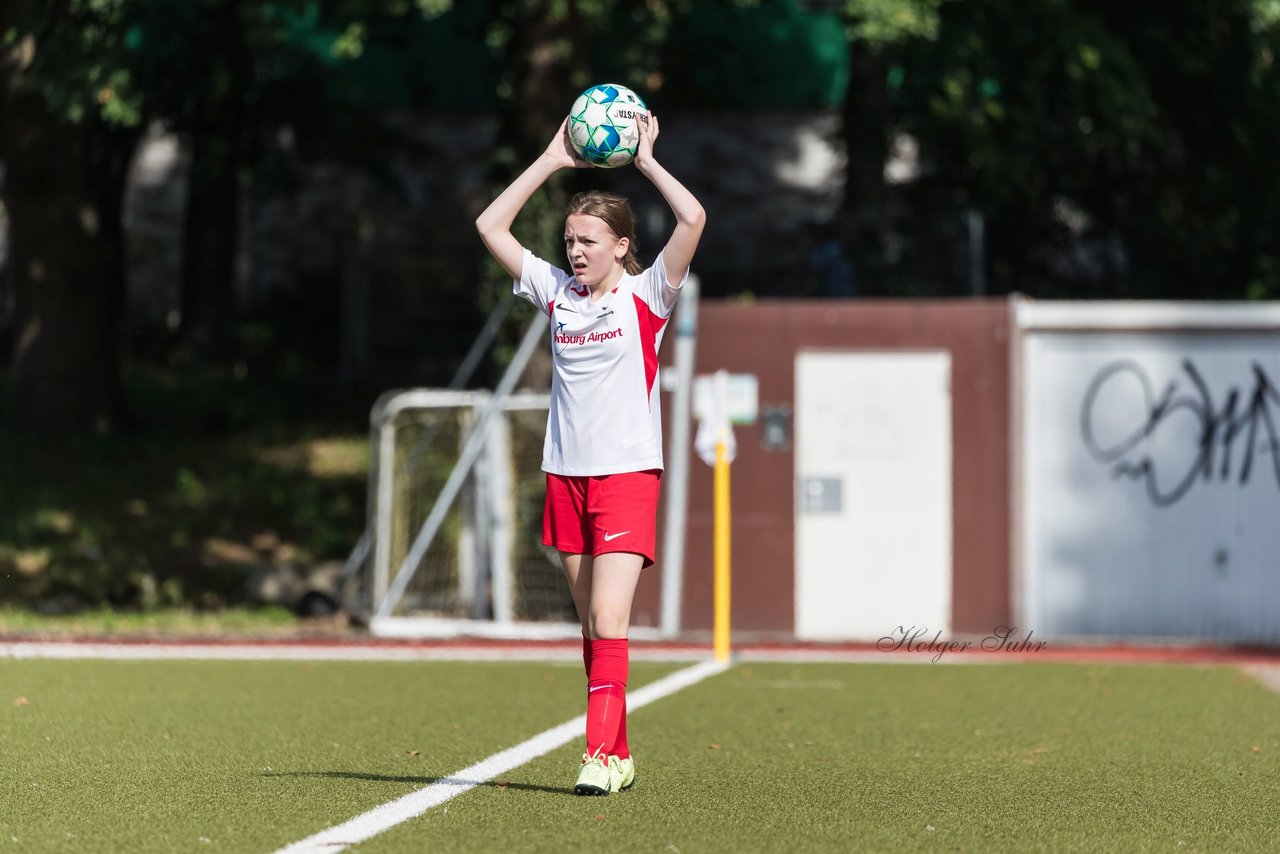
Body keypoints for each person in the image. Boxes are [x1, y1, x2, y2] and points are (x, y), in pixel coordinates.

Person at [475, 110, 705, 796]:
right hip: (565, 479)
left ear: (622, 246)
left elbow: (692, 220)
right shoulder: (557, 295)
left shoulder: (646, 296)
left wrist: (646, 162)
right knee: (591, 630)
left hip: (627, 476)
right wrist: (550, 159)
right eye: (570, 240)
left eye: (589, 241)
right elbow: (489, 227)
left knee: (610, 620)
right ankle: (621, 752)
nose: (575, 252)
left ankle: (600, 756)